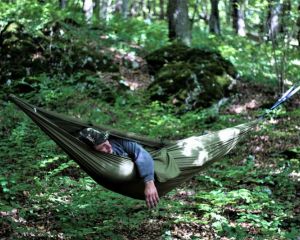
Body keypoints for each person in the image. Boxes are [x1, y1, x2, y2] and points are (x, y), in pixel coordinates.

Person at [79, 128, 159, 208]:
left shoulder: (118, 142)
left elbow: (141, 154)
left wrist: (149, 182)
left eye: (106, 141)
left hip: (149, 158)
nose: (108, 146)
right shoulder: (94, 160)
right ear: (93, 151)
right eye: (102, 147)